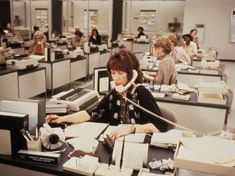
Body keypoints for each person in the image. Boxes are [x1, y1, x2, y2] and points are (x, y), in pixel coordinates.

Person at [45, 49, 168, 140]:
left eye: (120, 73)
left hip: (136, 145)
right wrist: (62, 119)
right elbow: (91, 113)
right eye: (113, 73)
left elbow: (161, 125)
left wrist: (131, 129)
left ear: (132, 73)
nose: (115, 78)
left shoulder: (141, 92)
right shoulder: (115, 93)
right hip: (114, 141)